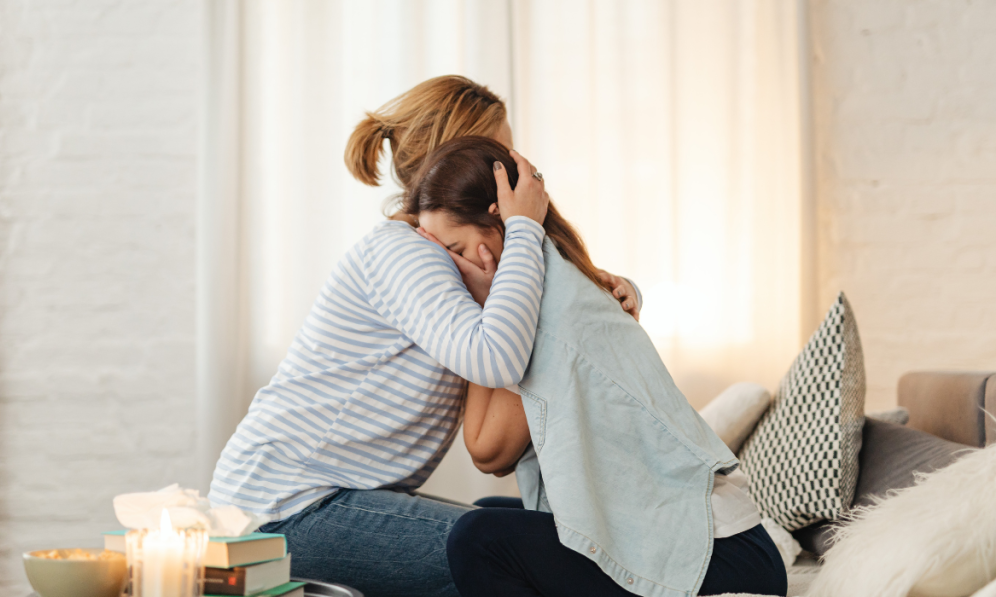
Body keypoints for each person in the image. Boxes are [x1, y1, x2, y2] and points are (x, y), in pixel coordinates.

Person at [208, 75, 640, 597]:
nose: (517, 168)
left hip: (317, 498)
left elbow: (530, 320)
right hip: (283, 506)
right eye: (501, 154)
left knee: (503, 534)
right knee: (507, 556)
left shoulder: (448, 258)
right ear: (457, 161)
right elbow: (496, 358)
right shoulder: (404, 252)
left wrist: (614, 287)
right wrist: (525, 227)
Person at [410, 136, 788, 597]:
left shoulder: (547, 304)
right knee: (489, 512)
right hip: (704, 543)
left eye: (455, 247)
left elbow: (489, 451)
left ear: (498, 220)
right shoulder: (549, 276)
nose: (452, 268)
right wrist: (490, 310)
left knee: (478, 539)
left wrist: (486, 305)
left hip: (719, 556)